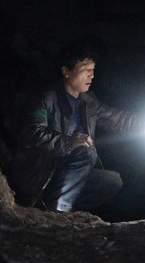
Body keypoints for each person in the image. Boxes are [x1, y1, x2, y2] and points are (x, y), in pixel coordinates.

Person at [8, 46, 135, 213]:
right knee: (86, 151)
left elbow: (116, 119)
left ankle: (62, 209)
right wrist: (70, 142)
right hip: (42, 174)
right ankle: (58, 211)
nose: (92, 75)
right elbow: (31, 132)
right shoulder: (46, 97)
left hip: (69, 176)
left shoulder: (88, 101)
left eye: (93, 70)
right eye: (86, 69)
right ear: (66, 72)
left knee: (111, 181)